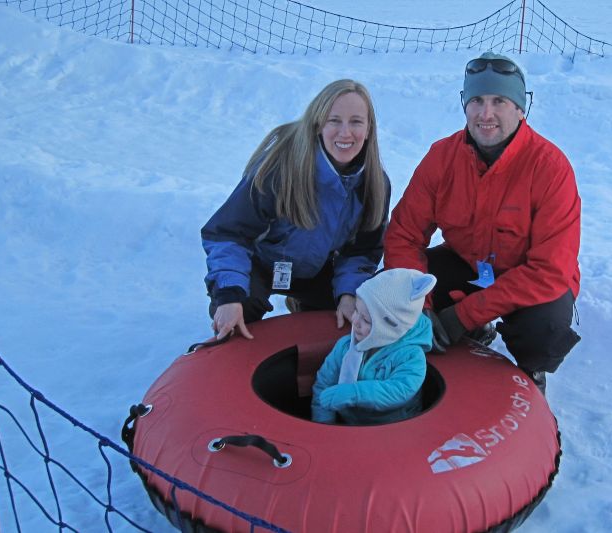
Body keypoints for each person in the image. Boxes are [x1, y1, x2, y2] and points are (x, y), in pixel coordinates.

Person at [383, 52, 581, 393]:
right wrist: (421, 308)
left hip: (528, 280)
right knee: (389, 294)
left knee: (544, 329)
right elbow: (403, 235)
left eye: (499, 101)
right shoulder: (442, 158)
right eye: (476, 100)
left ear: (520, 108)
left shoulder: (551, 168)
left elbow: (549, 271)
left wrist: (461, 316)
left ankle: (531, 371)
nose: (485, 114)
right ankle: (470, 337)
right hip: (469, 264)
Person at [201, 79, 390, 340]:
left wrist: (348, 293)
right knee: (238, 309)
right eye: (334, 120)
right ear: (318, 125)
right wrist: (229, 295)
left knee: (355, 315)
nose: (345, 133)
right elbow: (228, 233)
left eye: (356, 122)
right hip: (261, 262)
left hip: (319, 267)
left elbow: (363, 251)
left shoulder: (374, 185)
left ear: (369, 129)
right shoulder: (279, 169)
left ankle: (305, 303)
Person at [311, 268, 435, 425]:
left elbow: (399, 390)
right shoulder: (346, 346)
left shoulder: (411, 355)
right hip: (349, 423)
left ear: (390, 328)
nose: (355, 321)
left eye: (367, 320)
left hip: (393, 427)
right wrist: (324, 423)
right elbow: (323, 383)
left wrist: (354, 393)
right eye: (356, 310)